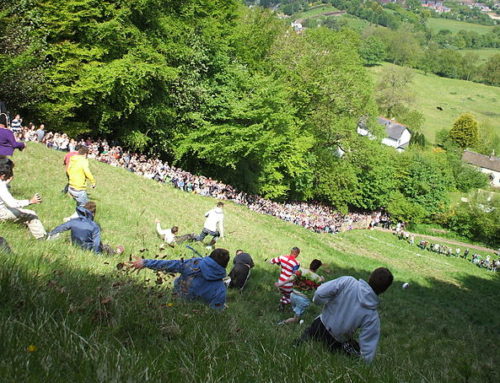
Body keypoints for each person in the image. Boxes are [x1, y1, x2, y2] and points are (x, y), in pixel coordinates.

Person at [296, 267, 394, 363]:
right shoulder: (372, 315)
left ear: (369, 277)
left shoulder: (348, 282)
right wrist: (365, 363)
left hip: (319, 326)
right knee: (354, 351)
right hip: (337, 342)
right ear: (384, 291)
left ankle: (296, 346)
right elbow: (368, 347)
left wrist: (318, 302)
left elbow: (319, 293)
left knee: (299, 345)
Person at [128, 248, 230, 310]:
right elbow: (214, 313)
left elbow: (171, 265)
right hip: (192, 316)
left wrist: (146, 262)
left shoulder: (194, 264)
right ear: (224, 266)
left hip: (172, 300)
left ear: (209, 257)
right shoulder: (221, 289)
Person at [47, 201, 123, 255]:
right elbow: (96, 243)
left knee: (68, 237)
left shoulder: (74, 221)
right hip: (88, 248)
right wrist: (97, 254)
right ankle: (117, 252)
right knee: (105, 246)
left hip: (75, 245)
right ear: (93, 213)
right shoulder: (94, 226)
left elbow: (61, 228)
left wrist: (50, 233)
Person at [0, 157, 46, 239]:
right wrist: (30, 201)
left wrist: (6, 182)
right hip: (1, 213)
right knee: (31, 214)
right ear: (3, 175)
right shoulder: (1, 186)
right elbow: (13, 204)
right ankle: (42, 237)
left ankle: (26, 230)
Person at [276, 259, 324, 325]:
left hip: (292, 295)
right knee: (295, 319)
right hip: (303, 300)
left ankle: (296, 317)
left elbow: (291, 278)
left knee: (297, 311)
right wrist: (322, 281)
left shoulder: (301, 270)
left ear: (310, 264)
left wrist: (280, 284)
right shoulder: (317, 278)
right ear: (317, 268)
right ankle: (281, 324)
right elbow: (320, 289)